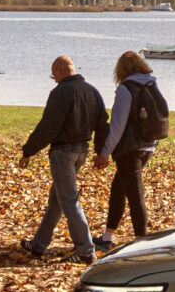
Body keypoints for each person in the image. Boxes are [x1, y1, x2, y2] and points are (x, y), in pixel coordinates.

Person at [18, 54, 108, 262]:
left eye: (54, 75)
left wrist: (28, 151)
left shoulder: (60, 92)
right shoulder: (92, 91)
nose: (55, 79)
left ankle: (85, 250)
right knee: (57, 198)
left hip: (63, 152)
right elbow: (102, 124)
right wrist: (101, 152)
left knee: (68, 200)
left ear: (59, 71)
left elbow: (48, 126)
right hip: (82, 150)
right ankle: (39, 244)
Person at [96, 50, 168, 251]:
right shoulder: (152, 84)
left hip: (130, 149)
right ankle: (107, 237)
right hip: (148, 146)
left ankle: (142, 244)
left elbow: (117, 127)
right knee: (118, 189)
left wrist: (104, 153)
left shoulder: (125, 89)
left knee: (135, 195)